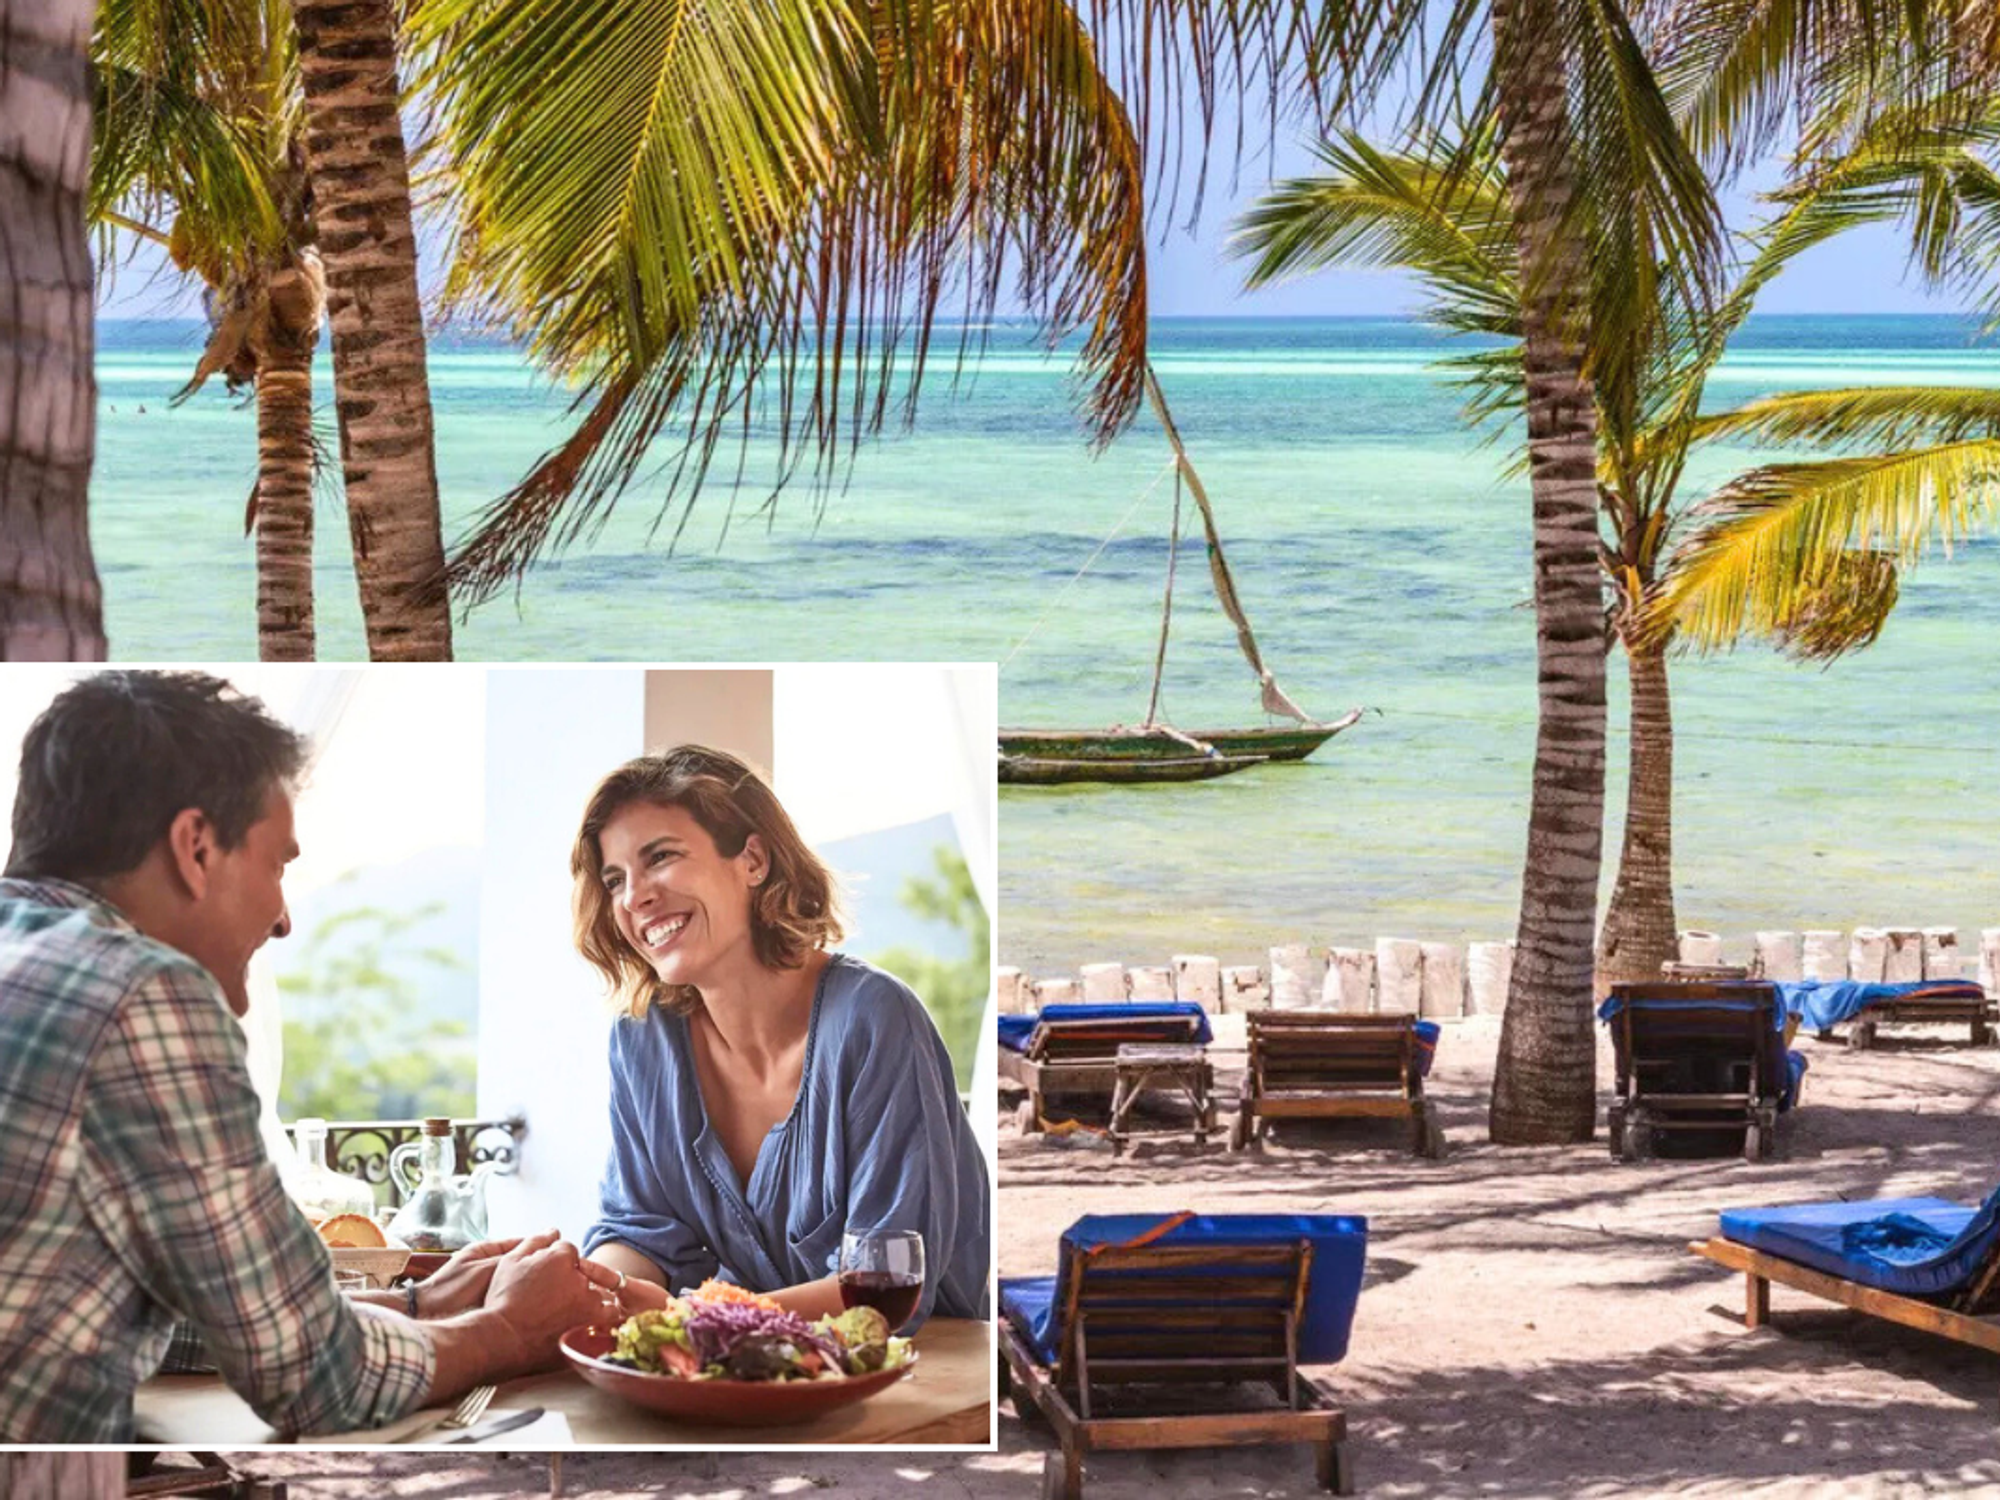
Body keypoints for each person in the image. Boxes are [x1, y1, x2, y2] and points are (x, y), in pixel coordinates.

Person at [0, 671, 621, 1442]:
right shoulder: (140, 995)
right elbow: (320, 1379)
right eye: (278, 865)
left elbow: (161, 1296)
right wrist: (509, 1331)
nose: (285, 918)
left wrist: (421, 1303)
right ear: (195, 848)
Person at [575, 745, 991, 1328]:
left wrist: (690, 1317)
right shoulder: (643, 1039)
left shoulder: (874, 1019)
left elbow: (887, 1286)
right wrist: (600, 1288)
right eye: (614, 878)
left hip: (929, 1376)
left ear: (753, 860)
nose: (634, 897)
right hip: (750, 1368)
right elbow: (641, 1230)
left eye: (661, 857)